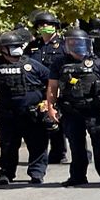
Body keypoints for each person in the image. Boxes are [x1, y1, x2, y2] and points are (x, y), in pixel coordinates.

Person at [46, 27, 100, 187]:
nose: (75, 45)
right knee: (76, 145)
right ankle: (78, 176)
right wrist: (50, 107)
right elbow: (52, 86)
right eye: (71, 42)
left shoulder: (98, 63)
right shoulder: (60, 63)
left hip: (95, 110)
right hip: (71, 111)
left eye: (78, 42)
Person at [0, 31, 51, 185]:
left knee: (37, 144)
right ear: (3, 49)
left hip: (32, 113)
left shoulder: (31, 64)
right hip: (7, 115)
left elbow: (50, 81)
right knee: (8, 146)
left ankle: (37, 173)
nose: (16, 49)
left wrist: (48, 102)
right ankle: (6, 174)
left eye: (18, 46)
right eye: (12, 46)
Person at [26, 11, 67, 167]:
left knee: (62, 120)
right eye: (41, 25)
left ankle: (69, 152)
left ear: (55, 27)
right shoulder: (33, 46)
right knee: (45, 121)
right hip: (40, 87)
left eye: (47, 24)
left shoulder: (62, 45)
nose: (44, 27)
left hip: (59, 86)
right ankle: (52, 153)